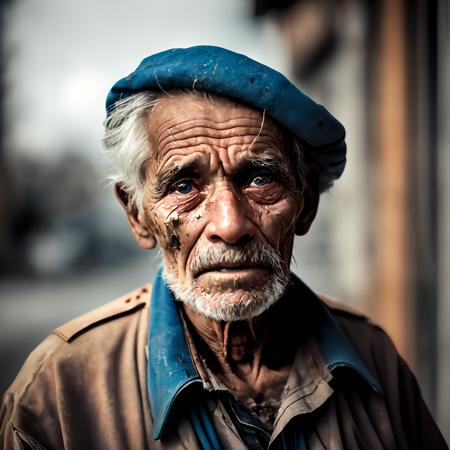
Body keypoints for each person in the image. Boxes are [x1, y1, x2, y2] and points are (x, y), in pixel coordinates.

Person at [0, 46, 447, 450]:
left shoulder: (373, 358)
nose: (230, 225)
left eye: (260, 178)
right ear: (137, 214)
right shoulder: (57, 390)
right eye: (184, 185)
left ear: (306, 203)